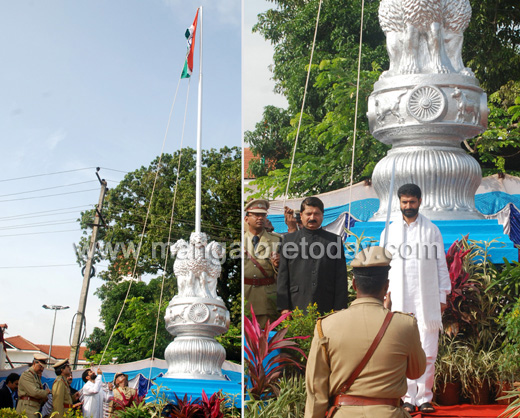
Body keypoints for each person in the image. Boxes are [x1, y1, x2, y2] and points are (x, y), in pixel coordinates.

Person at [305, 246, 426, 418]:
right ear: (386, 286)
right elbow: (416, 371)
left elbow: (316, 391)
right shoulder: (405, 324)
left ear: (354, 285)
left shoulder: (326, 326)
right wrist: (389, 316)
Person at [380, 183, 451, 413]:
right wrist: (384, 294)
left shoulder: (432, 230)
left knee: (428, 349)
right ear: (399, 202)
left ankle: (424, 398)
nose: (408, 206)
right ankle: (407, 397)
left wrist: (442, 295)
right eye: (404, 202)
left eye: (412, 202)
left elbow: (441, 264)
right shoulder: (389, 231)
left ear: (420, 201)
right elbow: (383, 265)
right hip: (399, 297)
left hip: (426, 300)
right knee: (402, 348)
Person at [277, 196, 348, 314]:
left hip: (327, 303)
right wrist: (284, 307)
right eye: (308, 213)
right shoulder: (289, 241)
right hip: (297, 303)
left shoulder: (334, 241)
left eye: (316, 214)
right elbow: (283, 276)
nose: (312, 217)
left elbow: (340, 276)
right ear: (301, 215)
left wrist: (339, 307)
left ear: (322, 215)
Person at [244, 199, 282, 328]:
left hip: (267, 298)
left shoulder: (277, 240)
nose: (260, 218)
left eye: (263, 215)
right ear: (246, 219)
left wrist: (278, 265)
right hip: (245, 296)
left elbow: (285, 272)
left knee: (266, 340)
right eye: (256, 215)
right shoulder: (238, 242)